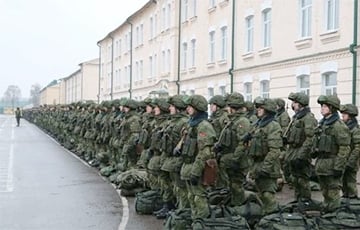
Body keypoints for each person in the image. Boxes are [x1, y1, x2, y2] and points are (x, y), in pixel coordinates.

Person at [179, 94, 216, 229]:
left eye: (190, 107)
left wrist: (196, 171)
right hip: (188, 165)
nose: (187, 109)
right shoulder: (192, 124)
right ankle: (195, 222)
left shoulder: (204, 126)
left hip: (197, 167)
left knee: (199, 198)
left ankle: (202, 223)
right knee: (191, 196)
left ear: (197, 108)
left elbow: (205, 152)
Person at [313, 95, 350, 212]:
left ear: (332, 108)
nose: (322, 108)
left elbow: (344, 148)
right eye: (322, 106)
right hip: (322, 164)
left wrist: (338, 167)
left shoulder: (339, 126)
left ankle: (334, 217)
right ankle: (327, 214)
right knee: (324, 191)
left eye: (324, 106)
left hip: (332, 164)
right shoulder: (323, 124)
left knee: (333, 193)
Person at [215, 92, 251, 206]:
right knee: (232, 185)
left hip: (237, 160)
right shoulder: (232, 120)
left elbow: (243, 143)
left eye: (228, 106)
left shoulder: (242, 121)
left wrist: (235, 159)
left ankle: (240, 208)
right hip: (230, 159)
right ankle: (235, 204)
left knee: (237, 185)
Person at [248, 98, 282, 214]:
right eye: (258, 107)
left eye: (261, 108)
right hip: (257, 164)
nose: (258, 110)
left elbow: (274, 151)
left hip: (268, 167)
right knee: (261, 194)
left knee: (268, 194)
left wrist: (266, 168)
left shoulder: (273, 126)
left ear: (267, 110)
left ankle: (273, 218)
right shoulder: (258, 125)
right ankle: (265, 217)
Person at [285, 92, 317, 202]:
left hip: (302, 152)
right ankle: (298, 200)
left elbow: (310, 138)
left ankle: (306, 201)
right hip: (293, 151)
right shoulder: (296, 117)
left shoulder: (308, 118)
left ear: (301, 104)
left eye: (295, 102)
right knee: (295, 179)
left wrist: (301, 155)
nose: (293, 104)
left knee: (303, 180)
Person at [339, 104, 360, 198]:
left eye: (345, 114)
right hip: (344, 160)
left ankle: (353, 203)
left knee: (350, 184)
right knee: (343, 183)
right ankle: (345, 201)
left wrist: (350, 162)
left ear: (350, 116)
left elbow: (357, 148)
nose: (342, 115)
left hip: (351, 162)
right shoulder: (345, 128)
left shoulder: (355, 130)